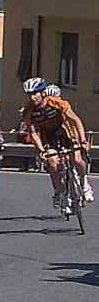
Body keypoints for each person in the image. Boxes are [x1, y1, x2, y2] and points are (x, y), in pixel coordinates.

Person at [21, 77, 93, 207]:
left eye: (35, 94)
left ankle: (84, 181)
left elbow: (76, 121)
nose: (32, 98)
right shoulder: (28, 110)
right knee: (52, 162)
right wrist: (41, 150)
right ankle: (60, 191)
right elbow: (32, 133)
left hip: (64, 131)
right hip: (48, 136)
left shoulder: (56, 103)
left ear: (42, 93)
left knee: (77, 160)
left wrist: (82, 140)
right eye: (29, 95)